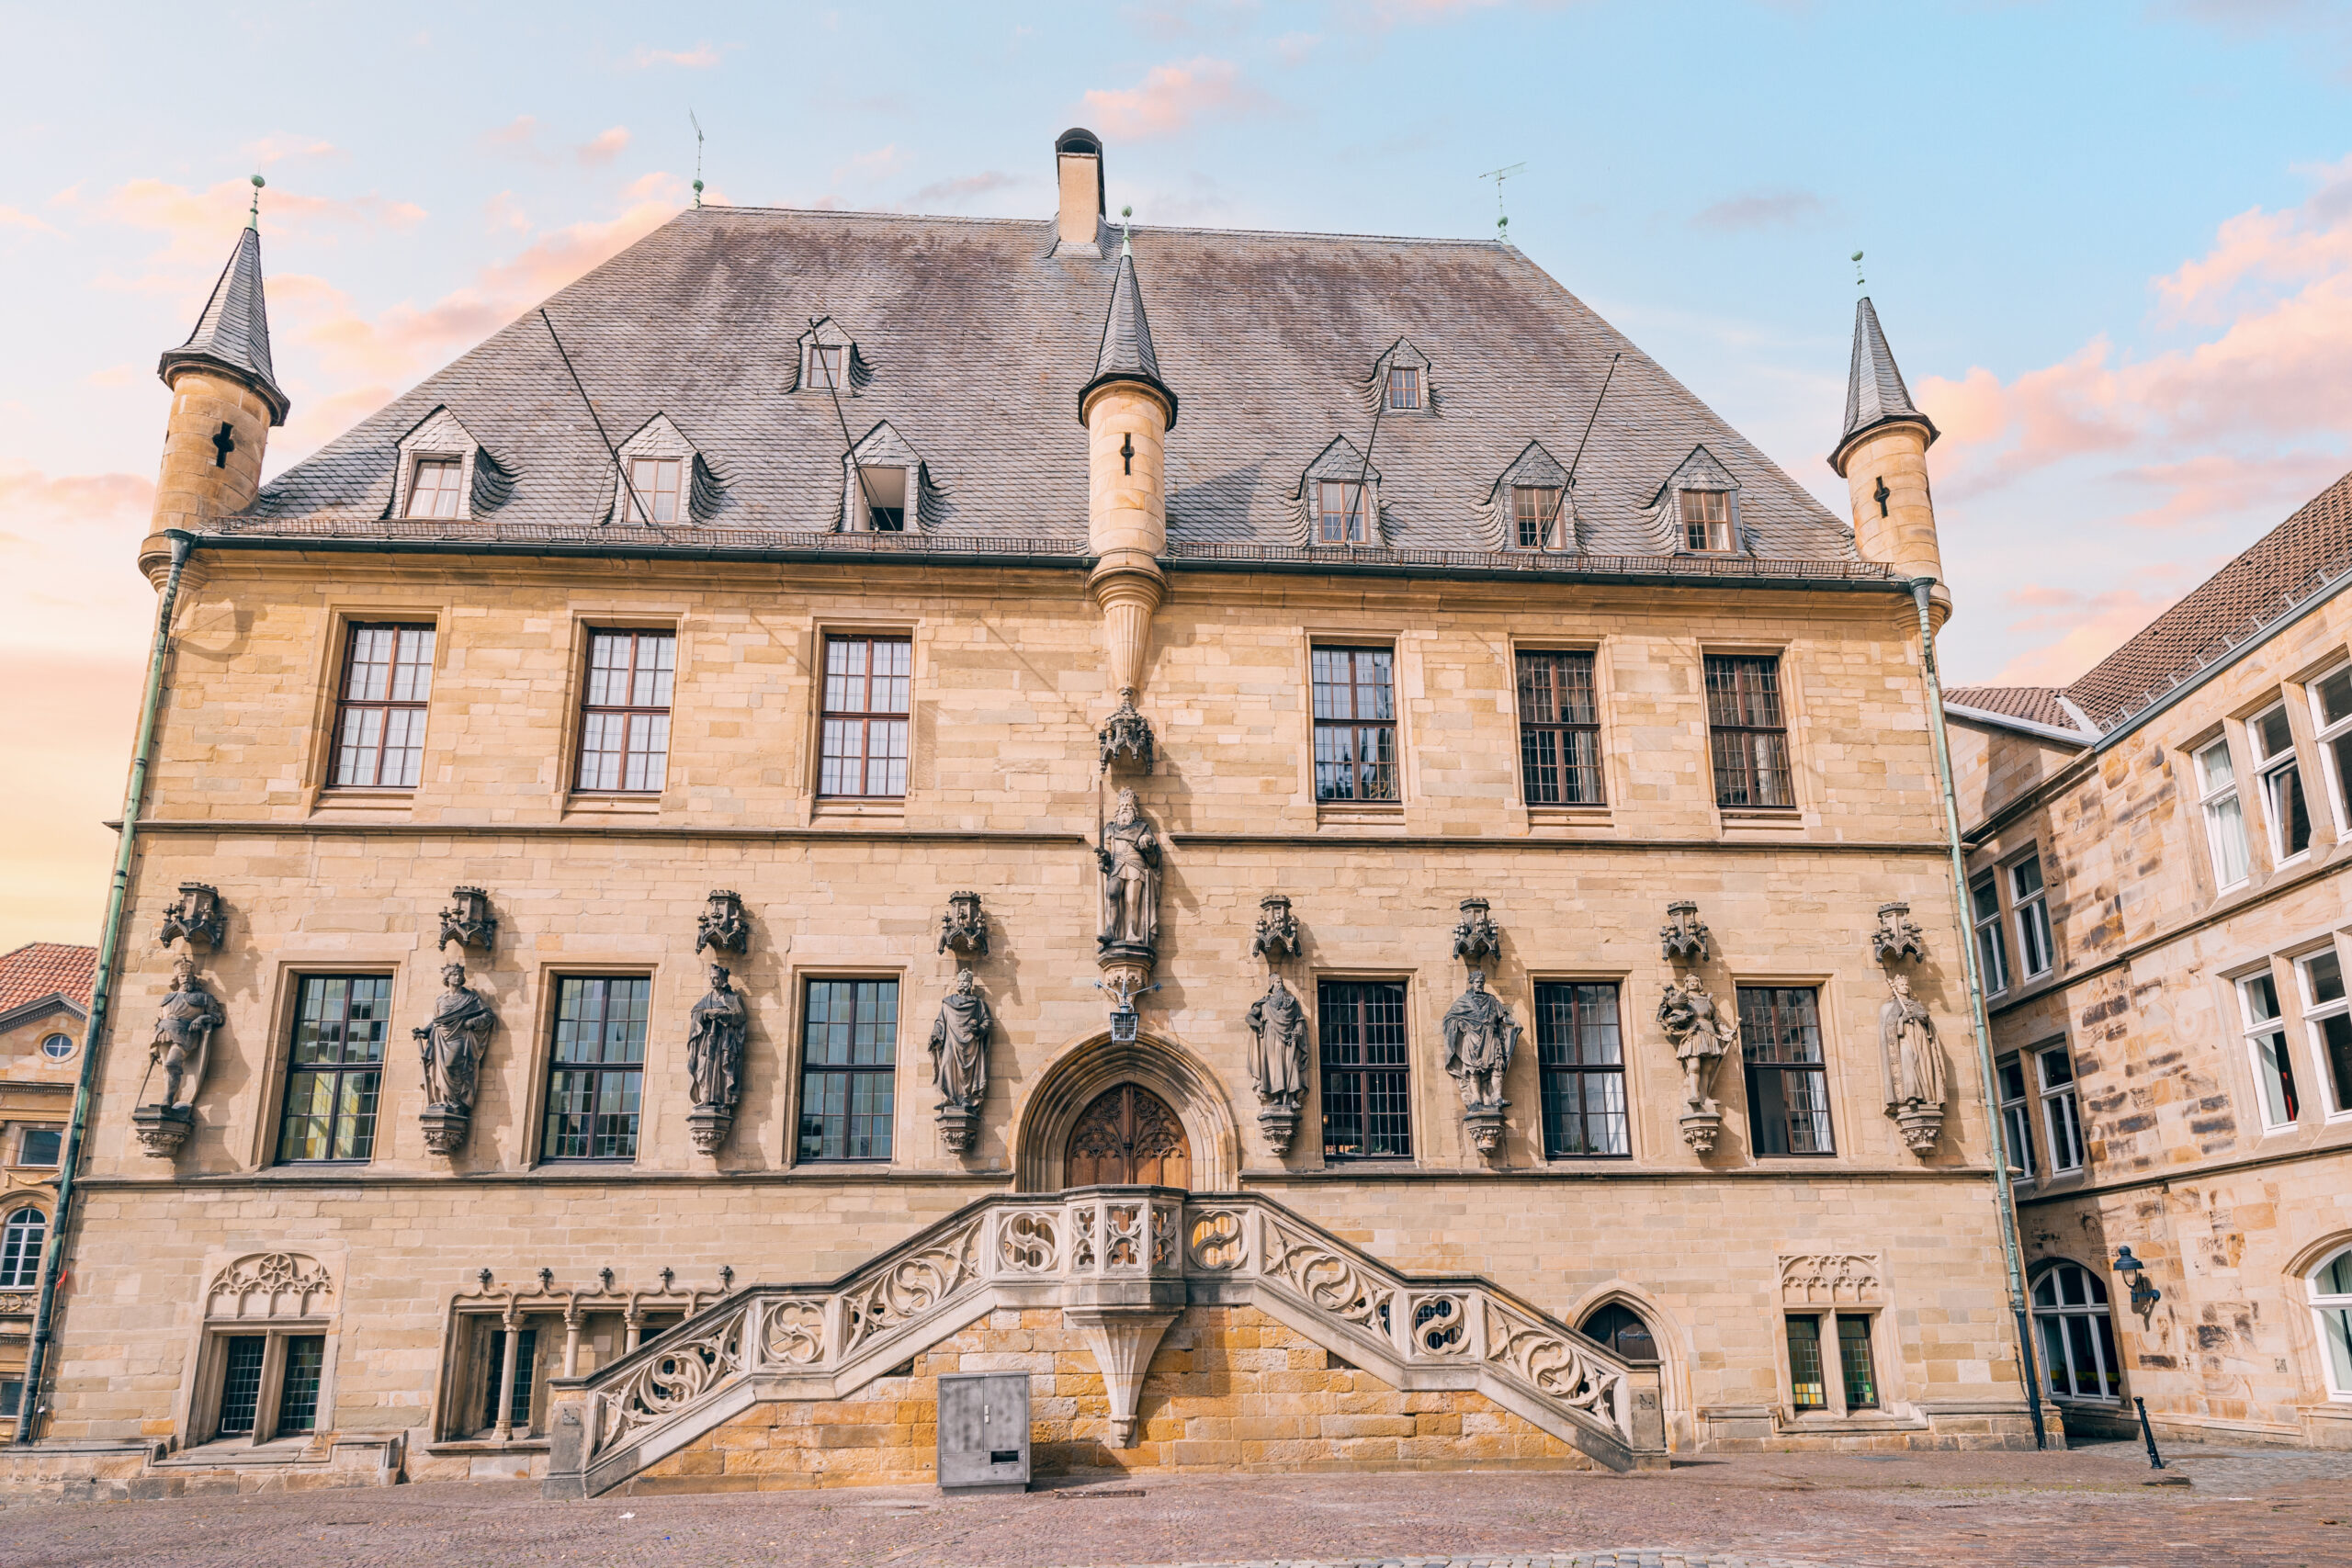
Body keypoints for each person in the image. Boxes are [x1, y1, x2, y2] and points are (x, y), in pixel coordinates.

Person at [416, 962, 495, 1111]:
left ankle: (456, 1100)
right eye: (454, 975)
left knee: (451, 1065)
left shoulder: (470, 998)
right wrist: (424, 1032)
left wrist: (473, 1022)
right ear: (447, 978)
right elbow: (437, 1021)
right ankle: (442, 1101)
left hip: (459, 1038)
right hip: (439, 1038)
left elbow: (488, 1015)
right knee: (438, 1069)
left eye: (460, 975)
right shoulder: (441, 1000)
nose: (457, 977)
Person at [148, 956, 224, 1110]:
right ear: (177, 978)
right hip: (164, 1031)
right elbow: (159, 1017)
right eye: (183, 976)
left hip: (186, 1032)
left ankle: (168, 1099)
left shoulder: (203, 998)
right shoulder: (168, 997)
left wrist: (202, 1017)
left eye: (189, 976)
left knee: (172, 1063)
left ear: (193, 978)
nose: (186, 979)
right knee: (165, 1068)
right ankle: (170, 1096)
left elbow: (217, 1017)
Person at [1441, 969, 1521, 1107]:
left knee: (1497, 1066)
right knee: (1473, 1069)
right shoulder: (1463, 1001)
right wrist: (1460, 1024)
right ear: (1471, 983)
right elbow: (1449, 1019)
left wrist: (1515, 1022)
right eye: (1477, 982)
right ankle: (1476, 1097)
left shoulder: (1491, 1000)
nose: (1480, 985)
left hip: (1491, 1037)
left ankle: (1497, 1096)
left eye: (1482, 982)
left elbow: (1504, 1017)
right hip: (1472, 1039)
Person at [1096, 788, 1160, 950]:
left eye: (1128, 806)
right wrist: (1104, 856)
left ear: (1134, 809)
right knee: (1112, 894)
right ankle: (1111, 930)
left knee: (1132, 901)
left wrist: (1148, 847)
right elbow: (1107, 850)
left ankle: (1131, 932)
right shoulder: (1110, 828)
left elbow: (1154, 859)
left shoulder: (1142, 828)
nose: (1125, 808)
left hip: (1135, 866)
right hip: (1116, 866)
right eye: (1123, 805)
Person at [928, 968, 993, 1110]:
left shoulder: (978, 1004)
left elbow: (987, 1022)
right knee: (946, 1064)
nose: (963, 983)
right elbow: (940, 1022)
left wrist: (978, 1029)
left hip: (971, 1043)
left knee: (967, 1073)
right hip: (951, 1040)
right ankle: (949, 1097)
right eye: (961, 981)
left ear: (970, 984)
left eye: (965, 981)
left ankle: (965, 1097)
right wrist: (935, 1034)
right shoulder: (948, 1003)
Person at [686, 964, 749, 1111]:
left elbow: (740, 1017)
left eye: (715, 978)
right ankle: (705, 1098)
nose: (713, 981)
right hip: (707, 1041)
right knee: (703, 1067)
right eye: (711, 978)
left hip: (724, 1041)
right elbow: (696, 1012)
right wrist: (707, 1013)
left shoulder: (733, 998)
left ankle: (722, 1099)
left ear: (722, 980)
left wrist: (722, 1015)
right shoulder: (706, 999)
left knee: (721, 1069)